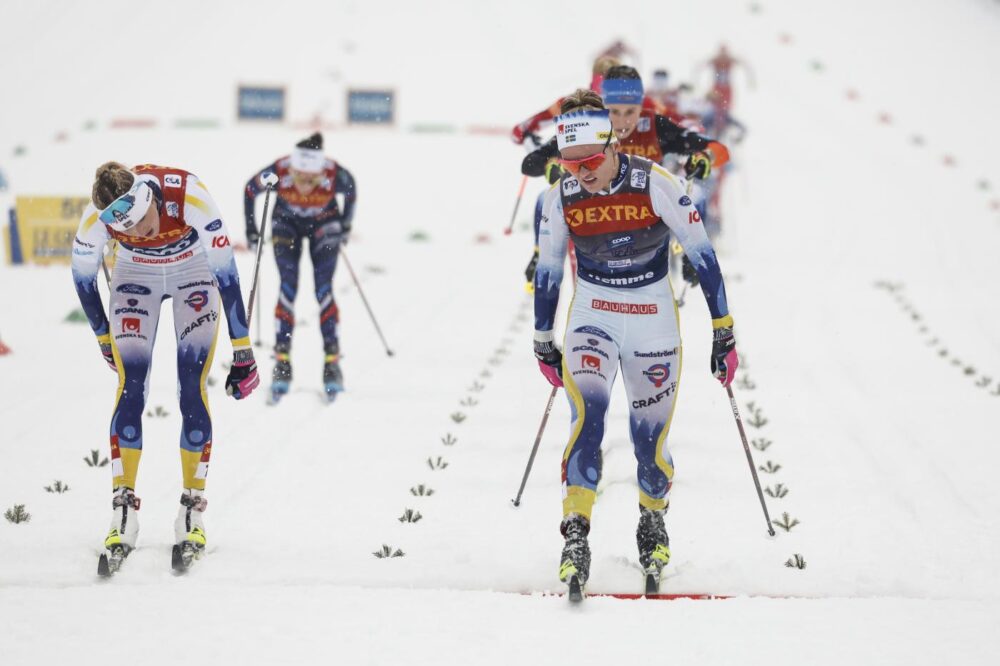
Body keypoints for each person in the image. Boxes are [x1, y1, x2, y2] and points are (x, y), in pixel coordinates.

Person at [531, 91, 738, 598]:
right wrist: (542, 338)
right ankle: (575, 536)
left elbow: (703, 254)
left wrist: (723, 330)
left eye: (591, 161)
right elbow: (550, 269)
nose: (581, 173)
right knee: (589, 420)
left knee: (649, 443)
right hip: (594, 315)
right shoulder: (561, 196)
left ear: (612, 144)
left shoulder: (656, 183)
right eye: (570, 163)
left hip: (652, 320)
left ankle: (652, 522)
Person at [71, 162, 259, 572]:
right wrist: (104, 337)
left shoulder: (189, 196)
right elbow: (83, 280)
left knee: (191, 387)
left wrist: (242, 350)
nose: (142, 233)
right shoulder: (95, 219)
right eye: (129, 231)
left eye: (145, 220)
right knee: (130, 385)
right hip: (134, 275)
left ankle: (192, 509)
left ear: (150, 198)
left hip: (193, 270)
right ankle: (123, 510)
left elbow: (226, 274)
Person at [522, 66, 729, 287]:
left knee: (694, 193)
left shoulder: (653, 125)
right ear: (603, 108)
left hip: (644, 219)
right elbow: (531, 163)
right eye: (614, 112)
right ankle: (540, 253)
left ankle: (692, 254)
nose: (622, 122)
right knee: (546, 198)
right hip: (596, 218)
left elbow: (719, 149)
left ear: (642, 107)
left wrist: (704, 157)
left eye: (630, 112)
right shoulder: (588, 127)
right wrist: (552, 166)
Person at [244, 133, 356, 403]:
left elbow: (350, 189)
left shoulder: (334, 173)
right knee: (288, 287)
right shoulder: (280, 170)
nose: (304, 184)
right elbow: (250, 190)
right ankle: (282, 362)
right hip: (286, 223)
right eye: (298, 177)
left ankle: (332, 362)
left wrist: (346, 225)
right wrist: (251, 228)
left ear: (321, 173)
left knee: (324, 289)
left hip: (324, 224)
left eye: (311, 179)